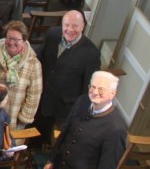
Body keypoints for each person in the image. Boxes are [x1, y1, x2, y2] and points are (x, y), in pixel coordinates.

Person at [34, 10, 101, 143]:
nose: (70, 29)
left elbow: (87, 90)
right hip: (40, 99)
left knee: (52, 142)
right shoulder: (52, 34)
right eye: (67, 25)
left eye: (75, 26)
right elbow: (38, 56)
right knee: (33, 136)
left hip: (63, 111)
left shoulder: (91, 54)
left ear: (83, 26)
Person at [0, 21, 42, 129]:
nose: (11, 42)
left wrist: (24, 119)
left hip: (14, 119)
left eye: (16, 39)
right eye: (9, 38)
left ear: (24, 41)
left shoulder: (33, 63)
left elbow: (34, 94)